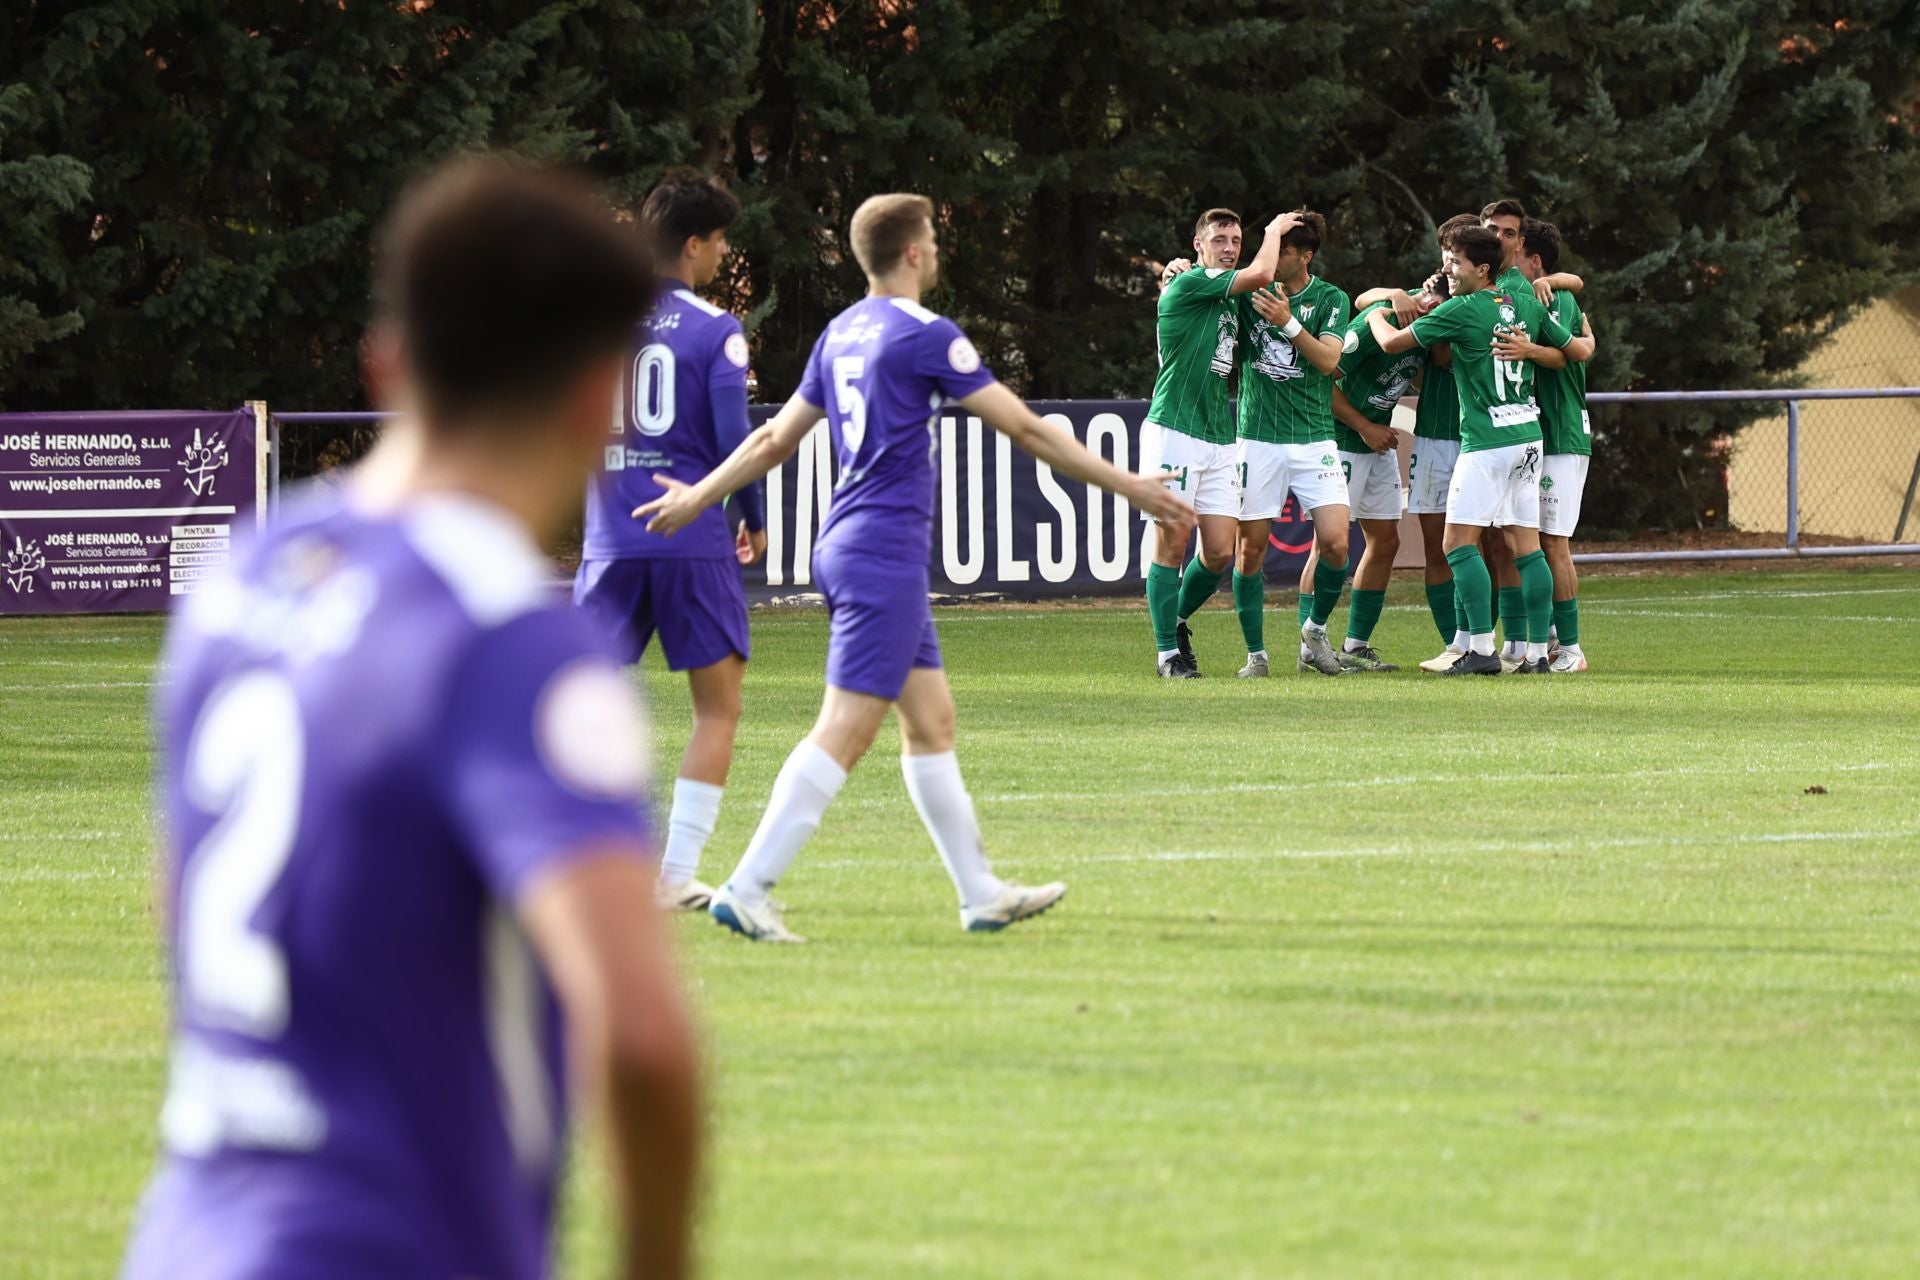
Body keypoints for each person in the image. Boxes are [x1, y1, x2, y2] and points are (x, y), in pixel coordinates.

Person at [120, 156, 701, 1280]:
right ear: (598, 396)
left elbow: (178, 891)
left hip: (186, 1237)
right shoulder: (509, 636)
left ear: (388, 364)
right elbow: (639, 1033)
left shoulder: (245, 575)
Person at [639, 193, 1195, 941]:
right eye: (932, 238)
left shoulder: (842, 332)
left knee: (931, 724)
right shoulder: (924, 334)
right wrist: (1134, 487)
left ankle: (980, 893)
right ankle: (747, 885)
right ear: (910, 253)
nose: (936, 250)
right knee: (845, 729)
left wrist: (700, 495)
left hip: (847, 544)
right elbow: (1027, 428)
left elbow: (774, 440)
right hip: (881, 553)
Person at [575, 168, 763, 911]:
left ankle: (578, 867)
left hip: (610, 541)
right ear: (693, 245)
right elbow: (733, 436)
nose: (722, 255)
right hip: (690, 538)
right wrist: (750, 513)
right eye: (719, 242)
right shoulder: (716, 331)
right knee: (716, 710)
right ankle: (674, 876)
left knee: (579, 707)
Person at [1367, 224, 1590, 675]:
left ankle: (1482, 649)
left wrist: (1375, 310)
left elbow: (1391, 342)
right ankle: (1531, 653)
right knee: (1527, 548)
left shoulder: (1464, 311)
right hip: (1528, 437)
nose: (1448, 270)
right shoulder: (1525, 300)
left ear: (1481, 268)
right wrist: (1572, 335)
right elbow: (1569, 350)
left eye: (1456, 263)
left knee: (1456, 544)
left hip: (1486, 443)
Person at [1145, 207, 1294, 677]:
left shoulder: (1229, 299)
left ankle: (1178, 619)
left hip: (1218, 436)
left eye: (1236, 239)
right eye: (1219, 240)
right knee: (1171, 544)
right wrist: (1271, 231)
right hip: (1174, 429)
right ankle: (1168, 654)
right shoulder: (1188, 285)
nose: (1229, 247)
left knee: (1217, 552)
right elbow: (1264, 271)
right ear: (1198, 245)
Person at [1329, 279, 1448, 667]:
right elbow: (1322, 383)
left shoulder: (1427, 330)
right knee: (1329, 545)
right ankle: (1309, 644)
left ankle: (1354, 646)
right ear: (1424, 298)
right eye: (1436, 307)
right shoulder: (1373, 323)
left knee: (1385, 541)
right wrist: (1364, 426)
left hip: (1377, 442)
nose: (1439, 316)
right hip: (1344, 438)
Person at [1504, 217, 1597, 672]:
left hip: (1561, 435)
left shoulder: (1552, 295)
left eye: (1514, 246)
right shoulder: (1535, 293)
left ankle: (1573, 651)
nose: (1506, 253)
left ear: (1533, 259)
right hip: (1542, 436)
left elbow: (1572, 353)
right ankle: (1542, 640)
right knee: (1530, 539)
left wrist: (1527, 351)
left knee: (1554, 544)